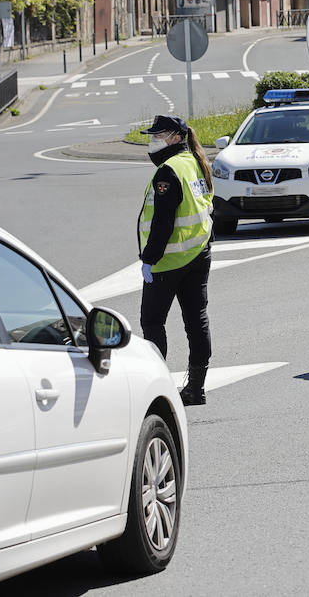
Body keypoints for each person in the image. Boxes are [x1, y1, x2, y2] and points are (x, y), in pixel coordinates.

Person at [138, 114, 215, 406]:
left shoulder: (168, 171)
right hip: (199, 253)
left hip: (168, 261)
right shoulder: (194, 161)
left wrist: (149, 259)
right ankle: (196, 389)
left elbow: (162, 222)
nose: (152, 141)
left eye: (156, 136)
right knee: (196, 320)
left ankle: (159, 391)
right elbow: (208, 206)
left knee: (152, 322)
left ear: (172, 137)